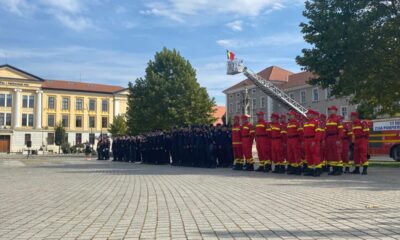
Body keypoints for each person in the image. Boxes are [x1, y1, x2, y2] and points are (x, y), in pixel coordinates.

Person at [303, 109, 324, 177]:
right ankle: (310, 170)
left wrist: (315, 141)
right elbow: (304, 133)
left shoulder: (316, 122)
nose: (307, 115)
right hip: (307, 140)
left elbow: (318, 133)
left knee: (315, 155)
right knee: (308, 156)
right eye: (307, 114)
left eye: (308, 114)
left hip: (313, 140)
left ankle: (318, 170)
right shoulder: (306, 123)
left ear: (312, 114)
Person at [325, 106, 344, 175]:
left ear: (335, 111)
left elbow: (341, 130)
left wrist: (339, 139)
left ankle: (339, 170)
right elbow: (326, 130)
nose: (330, 111)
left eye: (331, 110)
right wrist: (325, 139)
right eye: (329, 110)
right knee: (331, 154)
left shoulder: (338, 119)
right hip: (329, 138)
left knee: (337, 154)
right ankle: (334, 169)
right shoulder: (328, 119)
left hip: (336, 137)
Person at [286, 110, 302, 175]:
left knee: (296, 154)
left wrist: (300, 141)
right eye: (289, 115)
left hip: (295, 139)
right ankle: (293, 168)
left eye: (290, 115)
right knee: (291, 154)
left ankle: (298, 169)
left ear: (293, 115)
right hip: (289, 140)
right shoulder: (289, 123)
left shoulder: (297, 123)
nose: (289, 116)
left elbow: (300, 133)